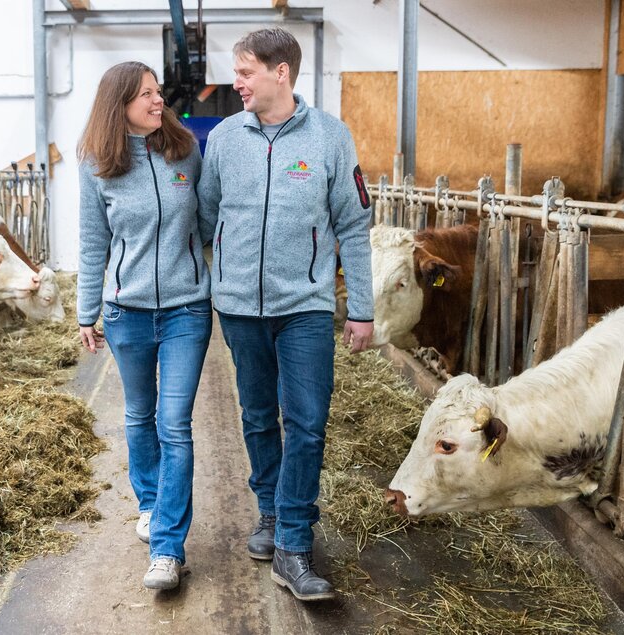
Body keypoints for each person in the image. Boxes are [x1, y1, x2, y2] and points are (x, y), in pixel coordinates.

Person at [197, 27, 374, 602]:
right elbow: (204, 218)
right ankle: (270, 512)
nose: (236, 82)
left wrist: (362, 308)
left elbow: (353, 224)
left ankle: (294, 545)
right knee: (255, 416)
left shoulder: (330, 137)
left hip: (305, 306)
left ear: (282, 73)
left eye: (245, 72)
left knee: (306, 421)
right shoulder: (223, 138)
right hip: (240, 309)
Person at [76, 61, 212, 592]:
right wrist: (87, 312)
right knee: (139, 413)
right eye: (147, 95)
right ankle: (151, 503)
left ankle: (167, 548)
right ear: (119, 106)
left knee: (174, 424)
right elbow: (93, 244)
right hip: (125, 313)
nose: (159, 102)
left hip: (186, 310)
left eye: (159, 93)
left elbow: (205, 222)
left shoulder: (184, 151)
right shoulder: (96, 165)